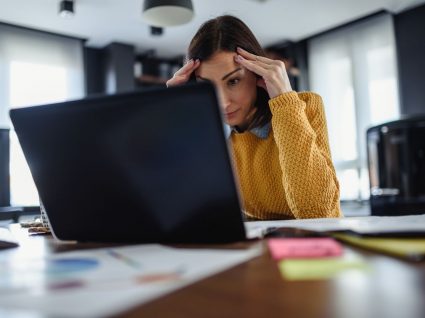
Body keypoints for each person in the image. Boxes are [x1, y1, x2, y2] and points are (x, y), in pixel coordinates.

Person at [166, 15, 342, 220]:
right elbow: (184, 212)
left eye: (233, 81)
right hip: (262, 247)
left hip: (323, 246)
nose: (222, 102)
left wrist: (285, 101)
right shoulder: (211, 134)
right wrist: (173, 115)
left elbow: (318, 215)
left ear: (257, 74)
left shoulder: (305, 106)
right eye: (208, 86)